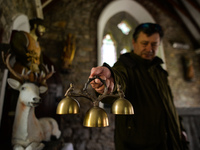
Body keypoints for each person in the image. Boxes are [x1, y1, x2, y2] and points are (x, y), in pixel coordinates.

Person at [89, 23, 188, 150]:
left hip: (172, 142)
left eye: (154, 44)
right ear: (134, 42)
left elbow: (169, 105)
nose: (149, 49)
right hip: (139, 145)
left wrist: (180, 129)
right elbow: (119, 79)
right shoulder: (125, 66)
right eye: (144, 43)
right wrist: (108, 85)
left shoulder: (159, 71)